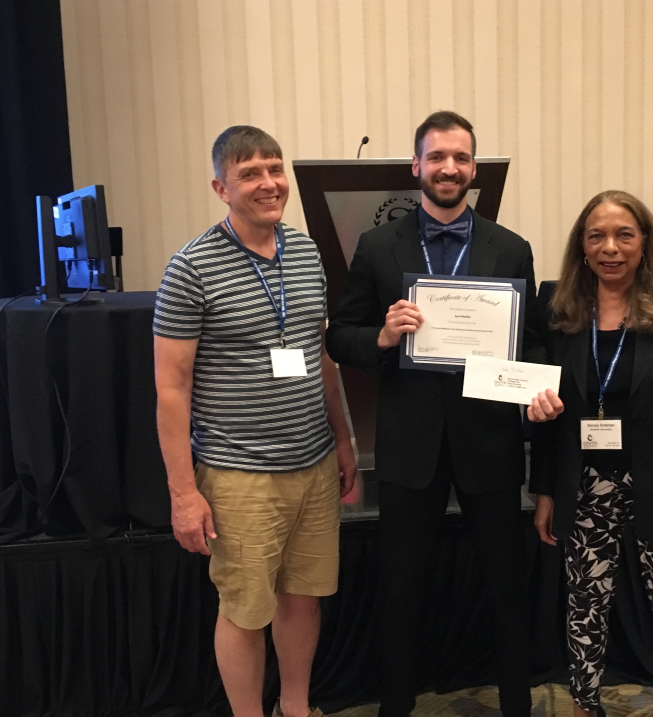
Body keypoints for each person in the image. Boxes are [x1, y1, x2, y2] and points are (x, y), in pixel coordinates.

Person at [326, 110, 562, 717]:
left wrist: (538, 389)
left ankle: (517, 706)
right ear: (417, 166)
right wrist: (382, 336)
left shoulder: (512, 248)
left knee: (506, 588)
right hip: (411, 446)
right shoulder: (378, 246)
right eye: (437, 157)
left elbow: (533, 343)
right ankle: (395, 708)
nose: (448, 168)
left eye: (460, 157)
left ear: (474, 169)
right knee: (400, 591)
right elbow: (340, 336)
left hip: (490, 442)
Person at [153, 125, 357, 717]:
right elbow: (171, 388)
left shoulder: (306, 252)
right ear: (222, 188)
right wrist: (183, 493)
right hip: (240, 474)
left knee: (303, 597)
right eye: (249, 174)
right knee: (245, 610)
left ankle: (295, 707)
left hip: (314, 464)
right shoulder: (191, 268)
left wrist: (343, 439)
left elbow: (320, 355)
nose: (269, 183)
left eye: (274, 168)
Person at [529, 190, 653, 717]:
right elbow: (550, 418)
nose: (610, 248)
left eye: (624, 235)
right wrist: (545, 491)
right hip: (585, 486)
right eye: (596, 236)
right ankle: (584, 704)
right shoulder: (562, 315)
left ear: (644, 243)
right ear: (582, 245)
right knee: (584, 609)